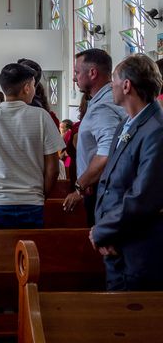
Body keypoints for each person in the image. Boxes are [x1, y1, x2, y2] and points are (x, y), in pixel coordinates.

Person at [91, 54, 163, 291]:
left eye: (113, 79)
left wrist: (102, 230)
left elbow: (143, 196)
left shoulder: (156, 130)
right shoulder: (127, 123)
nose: (111, 84)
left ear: (126, 85)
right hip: (117, 243)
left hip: (138, 249)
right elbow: (112, 178)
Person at [0, 63, 64, 229]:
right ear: (27, 87)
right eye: (34, 85)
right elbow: (53, 168)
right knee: (28, 253)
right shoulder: (41, 116)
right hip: (31, 202)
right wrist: (41, 195)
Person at [63, 49, 125, 226]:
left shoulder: (103, 107)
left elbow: (107, 152)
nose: (74, 78)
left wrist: (79, 186)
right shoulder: (104, 100)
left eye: (76, 72)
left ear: (92, 73)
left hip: (102, 190)